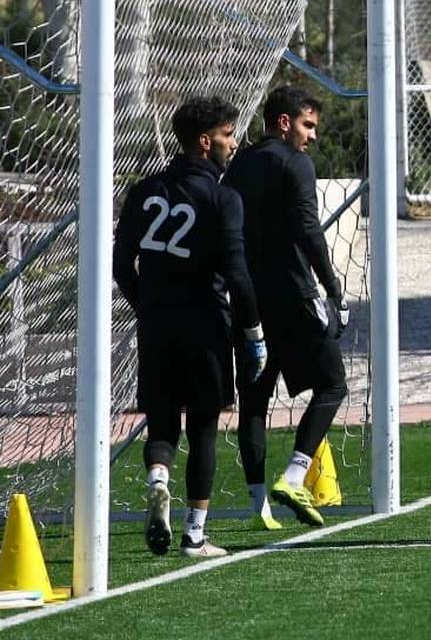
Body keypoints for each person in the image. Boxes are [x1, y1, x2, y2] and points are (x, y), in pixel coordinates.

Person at [114, 96, 267, 559]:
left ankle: (158, 480)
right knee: (203, 426)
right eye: (226, 134)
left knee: (162, 421)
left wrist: (147, 304)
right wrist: (253, 332)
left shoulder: (144, 190)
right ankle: (194, 535)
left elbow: (122, 264)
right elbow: (238, 274)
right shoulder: (223, 197)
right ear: (205, 142)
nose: (233, 142)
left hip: (158, 324)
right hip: (206, 324)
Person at [223, 85, 350, 529]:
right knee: (333, 385)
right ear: (284, 122)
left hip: (248, 300)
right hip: (293, 296)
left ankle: (257, 506)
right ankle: (295, 476)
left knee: (254, 401)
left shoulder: (238, 163)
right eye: (307, 125)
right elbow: (308, 230)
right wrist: (332, 289)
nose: (312, 136)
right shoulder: (295, 162)